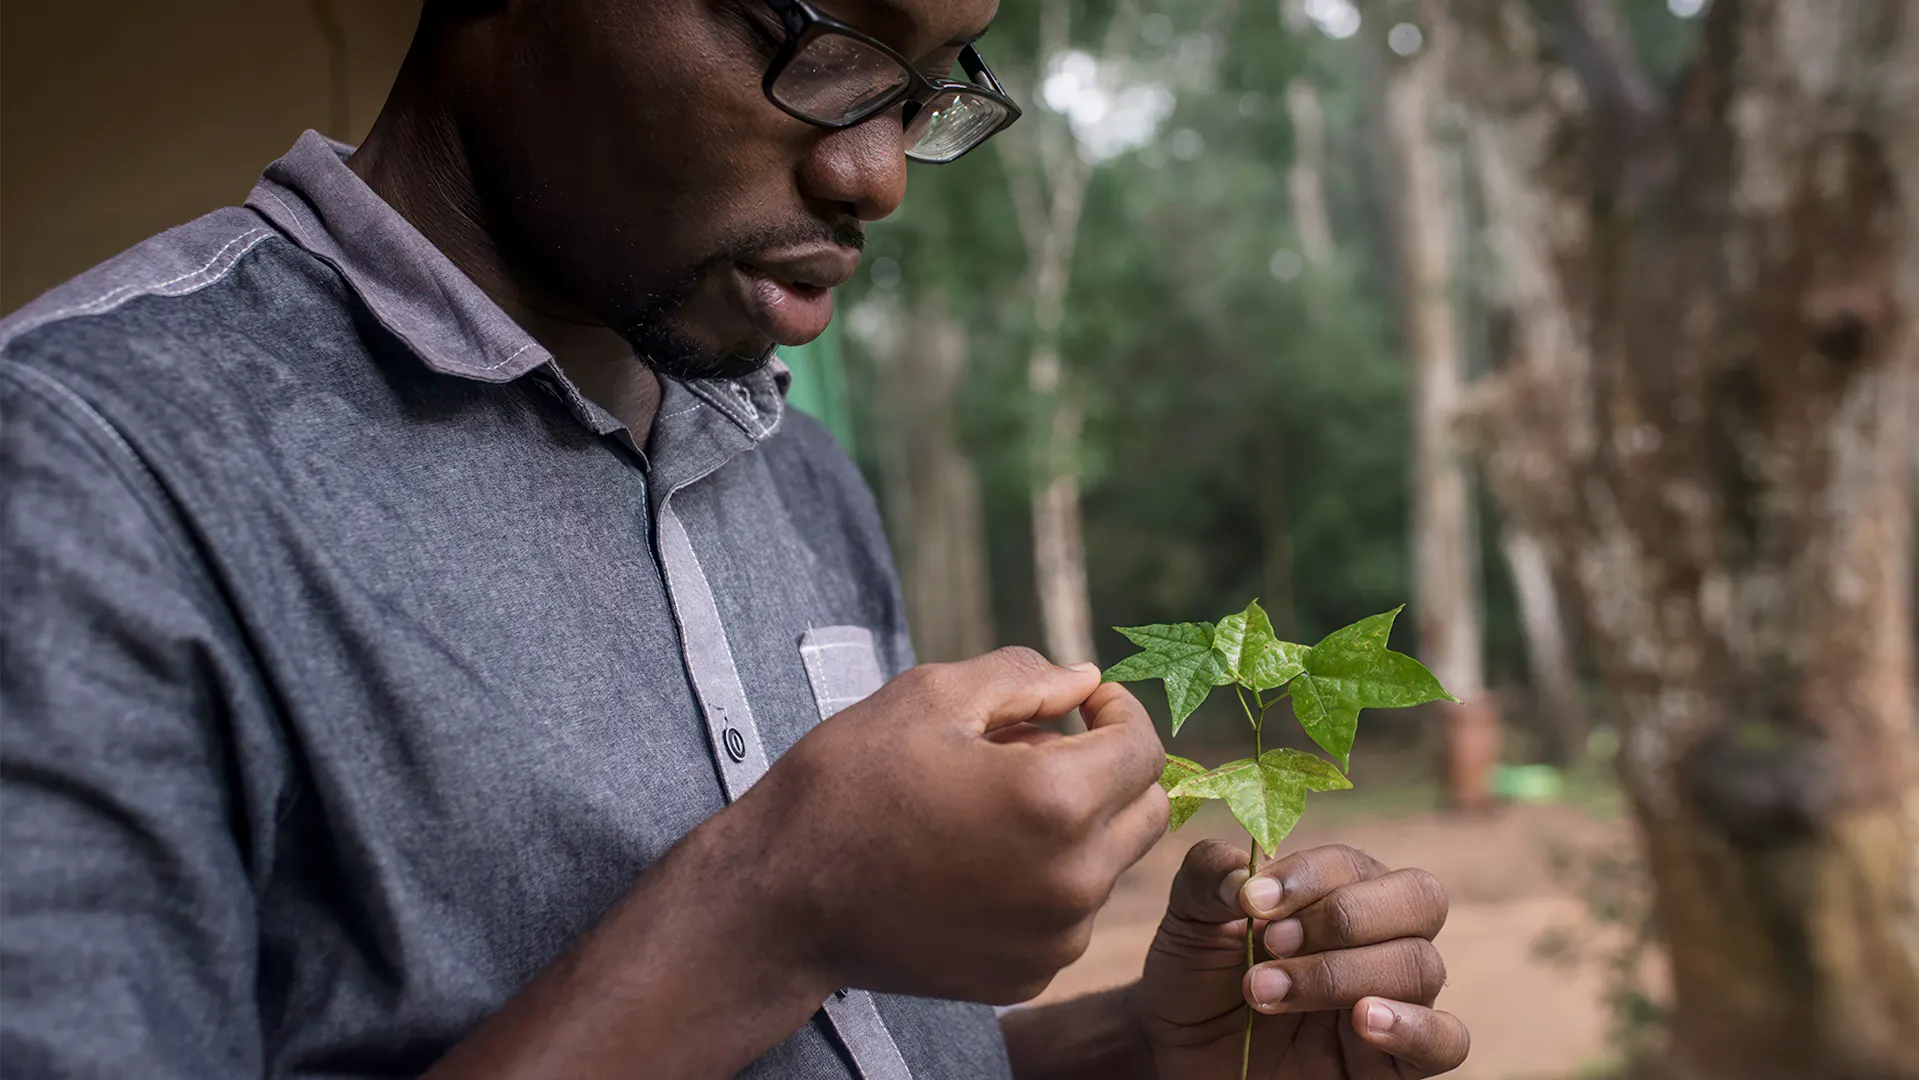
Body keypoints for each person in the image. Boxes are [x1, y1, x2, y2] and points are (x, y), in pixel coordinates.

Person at [0, 0, 1470, 1076]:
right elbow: (777, 946)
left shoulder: (797, 470)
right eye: (825, 52)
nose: (875, 173)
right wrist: (776, 908)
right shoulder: (84, 469)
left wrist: (1141, 1052)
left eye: (928, 90)